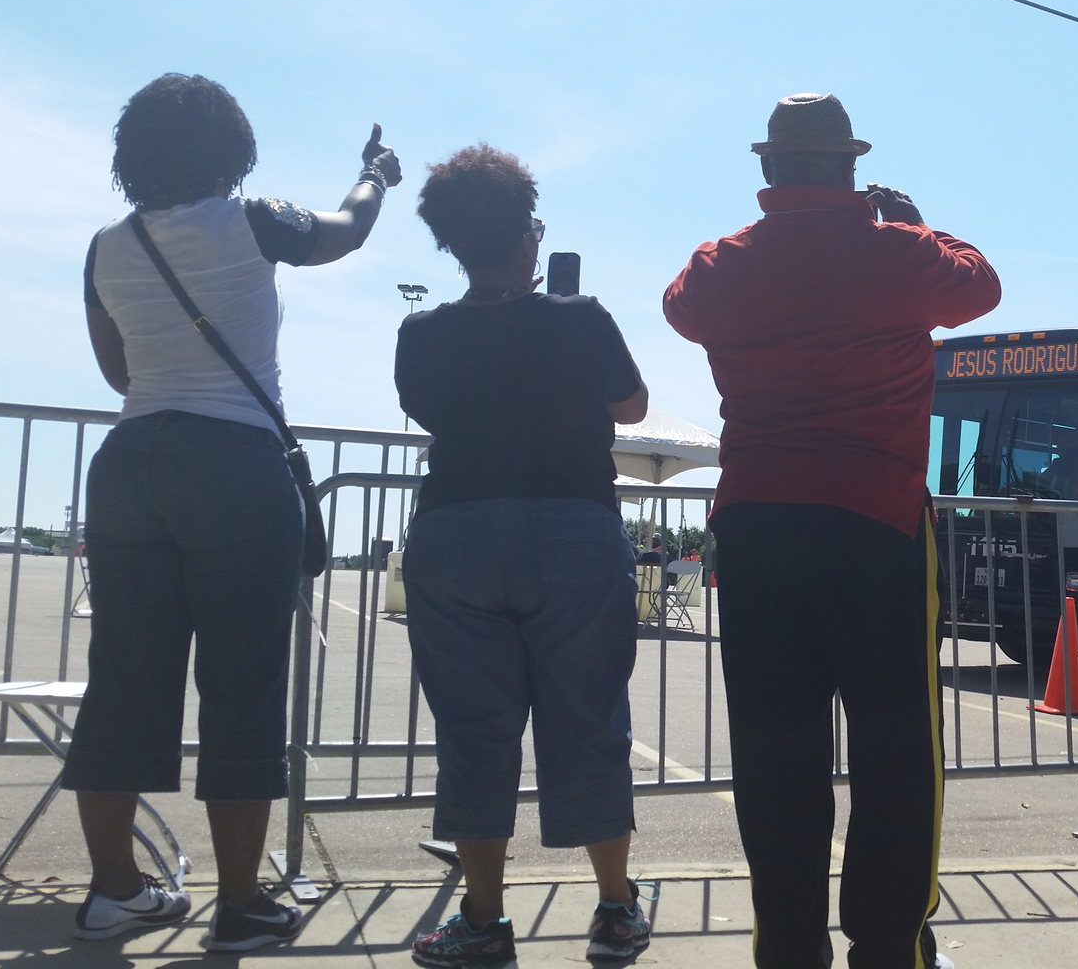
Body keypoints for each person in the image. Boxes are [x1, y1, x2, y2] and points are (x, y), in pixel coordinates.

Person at [663, 93, 1001, 969]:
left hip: (757, 529)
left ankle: (788, 946)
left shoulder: (719, 265)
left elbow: (679, 306)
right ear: (851, 168)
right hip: (875, 526)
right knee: (896, 748)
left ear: (769, 169)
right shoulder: (900, 254)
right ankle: (889, 949)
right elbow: (982, 283)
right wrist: (921, 226)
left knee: (776, 752)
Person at [65, 73, 400, 949]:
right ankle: (241, 902)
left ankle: (115, 891)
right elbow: (350, 229)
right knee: (242, 683)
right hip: (235, 465)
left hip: (132, 461)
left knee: (125, 678)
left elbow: (118, 374)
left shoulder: (107, 245)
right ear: (232, 150)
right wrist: (376, 174)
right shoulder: (255, 222)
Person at [396, 145, 653, 967]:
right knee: (588, 721)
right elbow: (633, 403)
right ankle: (614, 908)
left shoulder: (422, 334)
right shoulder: (581, 319)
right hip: (573, 528)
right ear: (525, 235)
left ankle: (483, 922)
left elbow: (427, 407)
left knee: (473, 732)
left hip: (457, 531)